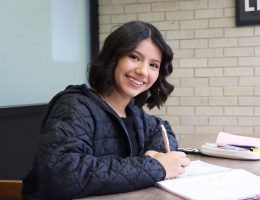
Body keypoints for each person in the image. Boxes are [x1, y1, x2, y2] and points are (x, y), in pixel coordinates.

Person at [22, 20, 190, 200]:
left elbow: (162, 128)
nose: (143, 71)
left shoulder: (133, 111)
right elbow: (63, 174)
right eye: (134, 57)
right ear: (113, 57)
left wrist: (156, 153)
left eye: (153, 65)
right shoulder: (75, 106)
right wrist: (156, 166)